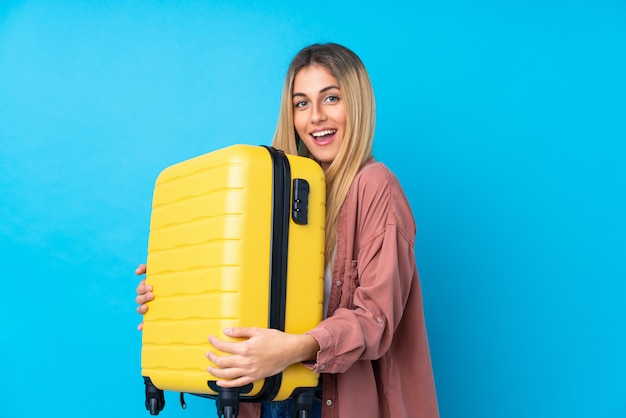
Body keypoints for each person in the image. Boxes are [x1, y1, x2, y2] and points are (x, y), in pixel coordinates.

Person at [135, 43, 439, 418]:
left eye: (331, 98)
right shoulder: (273, 188)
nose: (315, 117)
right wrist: (172, 293)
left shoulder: (375, 186)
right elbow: (240, 287)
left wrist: (292, 349)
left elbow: (377, 320)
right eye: (301, 103)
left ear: (357, 103)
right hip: (260, 398)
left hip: (323, 401)